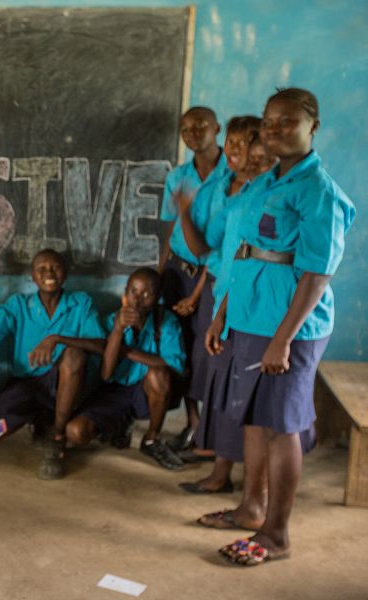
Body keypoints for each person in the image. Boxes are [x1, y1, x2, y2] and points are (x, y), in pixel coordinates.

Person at [208, 89, 355, 566]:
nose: (273, 129)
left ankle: (276, 534)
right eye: (269, 121)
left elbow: (316, 274)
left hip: (289, 328)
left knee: (281, 427)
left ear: (313, 127)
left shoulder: (318, 191)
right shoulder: (266, 180)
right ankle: (250, 507)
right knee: (255, 419)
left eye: (287, 121)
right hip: (251, 315)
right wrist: (223, 311)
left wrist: (284, 340)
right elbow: (246, 251)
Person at [169, 115, 262, 491]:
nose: (234, 151)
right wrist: (184, 213)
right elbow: (206, 248)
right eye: (233, 144)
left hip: (251, 303)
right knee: (218, 380)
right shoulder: (226, 189)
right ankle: (219, 469)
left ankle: (240, 481)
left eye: (244, 144)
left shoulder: (265, 192)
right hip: (222, 295)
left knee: (240, 387)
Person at [0, 249, 105, 480]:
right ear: (32, 276)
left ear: (65, 274)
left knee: (74, 355)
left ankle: (57, 437)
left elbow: (101, 346)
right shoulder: (19, 304)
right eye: (42, 269)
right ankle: (41, 420)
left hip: (64, 386)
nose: (49, 273)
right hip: (28, 385)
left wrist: (57, 339)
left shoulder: (80, 303)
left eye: (55, 267)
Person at [64, 268, 186, 470]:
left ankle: (151, 439)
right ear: (125, 294)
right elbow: (106, 374)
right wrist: (118, 330)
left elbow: (174, 367)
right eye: (133, 292)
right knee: (75, 432)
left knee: (158, 375)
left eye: (147, 294)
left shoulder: (166, 322)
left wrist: (127, 351)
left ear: (158, 298)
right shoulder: (113, 320)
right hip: (115, 391)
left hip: (147, 391)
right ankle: (119, 427)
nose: (138, 300)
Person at [158, 106, 227, 452]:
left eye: (200, 126)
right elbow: (169, 229)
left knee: (207, 351)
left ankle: (211, 431)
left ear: (217, 128)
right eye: (185, 128)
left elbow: (217, 249)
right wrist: (160, 274)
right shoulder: (179, 176)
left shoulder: (233, 176)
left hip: (211, 277)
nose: (192, 133)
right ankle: (193, 422)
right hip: (177, 271)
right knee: (182, 348)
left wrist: (198, 293)